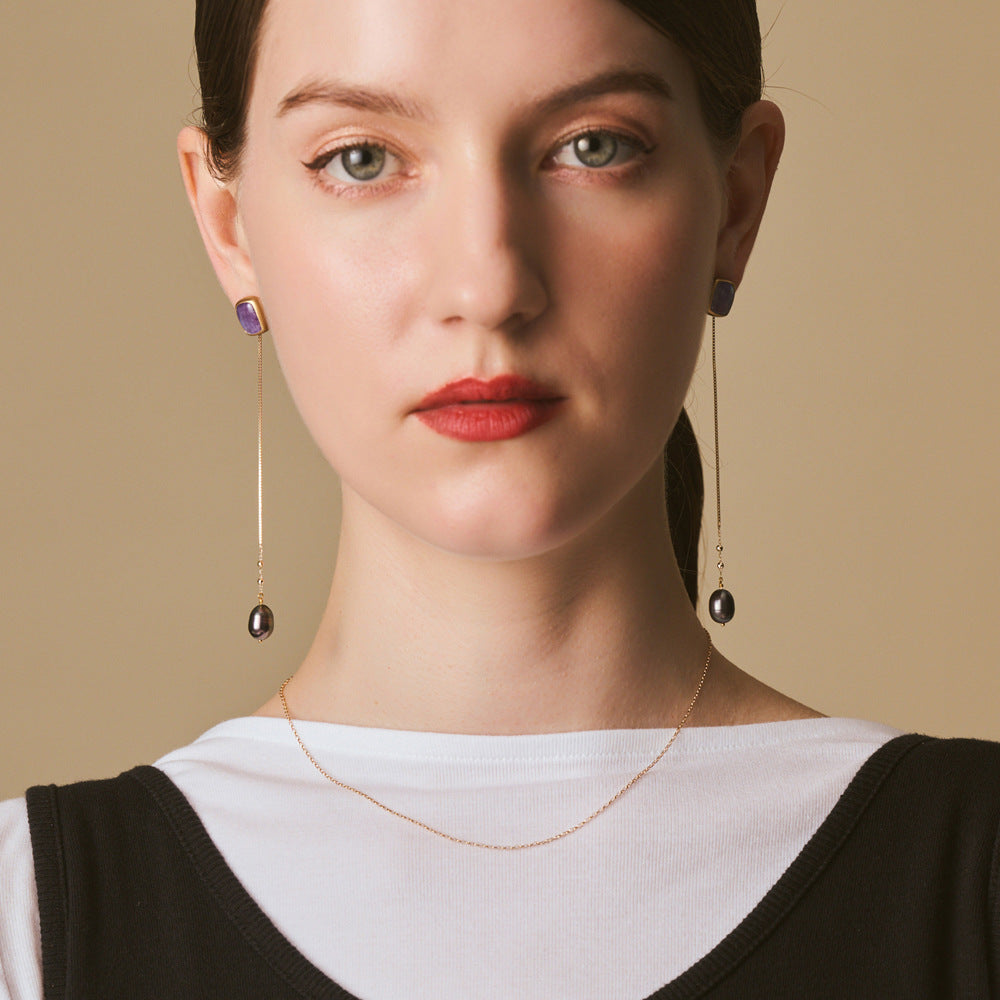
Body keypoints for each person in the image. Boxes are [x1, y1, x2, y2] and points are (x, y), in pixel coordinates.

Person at [1, 0, 997, 997]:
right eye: (360, 159)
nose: (487, 283)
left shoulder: (974, 884)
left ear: (735, 203)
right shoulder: (29, 924)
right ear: (229, 229)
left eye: (591, 146)